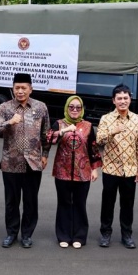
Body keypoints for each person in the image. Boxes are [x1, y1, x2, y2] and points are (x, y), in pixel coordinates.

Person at [0, 73, 50, 249]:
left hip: (33, 162)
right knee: (11, 201)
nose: (20, 91)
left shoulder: (40, 107)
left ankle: (27, 234)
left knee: (31, 201)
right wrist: (10, 122)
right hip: (11, 162)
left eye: (23, 88)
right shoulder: (5, 107)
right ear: (13, 88)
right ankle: (11, 233)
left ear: (30, 89)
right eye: (17, 87)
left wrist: (45, 154)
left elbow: (46, 133)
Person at [46, 95, 101, 249]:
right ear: (67, 108)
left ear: (82, 109)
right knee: (64, 203)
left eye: (78, 107)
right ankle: (63, 235)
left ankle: (79, 236)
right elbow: (49, 139)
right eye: (71, 107)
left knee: (79, 204)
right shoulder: (59, 123)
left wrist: (95, 169)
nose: (75, 110)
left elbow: (93, 149)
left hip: (83, 172)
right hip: (62, 171)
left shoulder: (88, 126)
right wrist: (63, 131)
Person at [96, 84, 138, 249]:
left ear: (130, 99)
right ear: (114, 101)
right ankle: (105, 233)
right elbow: (99, 140)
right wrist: (113, 131)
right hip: (111, 169)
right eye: (119, 98)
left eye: (126, 98)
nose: (123, 101)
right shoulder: (106, 119)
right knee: (107, 203)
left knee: (127, 204)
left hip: (130, 170)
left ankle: (127, 235)